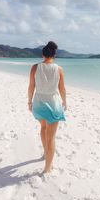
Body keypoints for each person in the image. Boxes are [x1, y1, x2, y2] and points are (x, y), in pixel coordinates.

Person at [28, 41, 67, 174]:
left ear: (43, 54)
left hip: (38, 102)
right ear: (54, 55)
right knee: (51, 137)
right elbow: (62, 89)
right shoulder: (59, 69)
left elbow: (31, 86)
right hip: (53, 103)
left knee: (43, 128)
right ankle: (47, 168)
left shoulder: (35, 67)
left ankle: (45, 154)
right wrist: (65, 101)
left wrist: (29, 101)